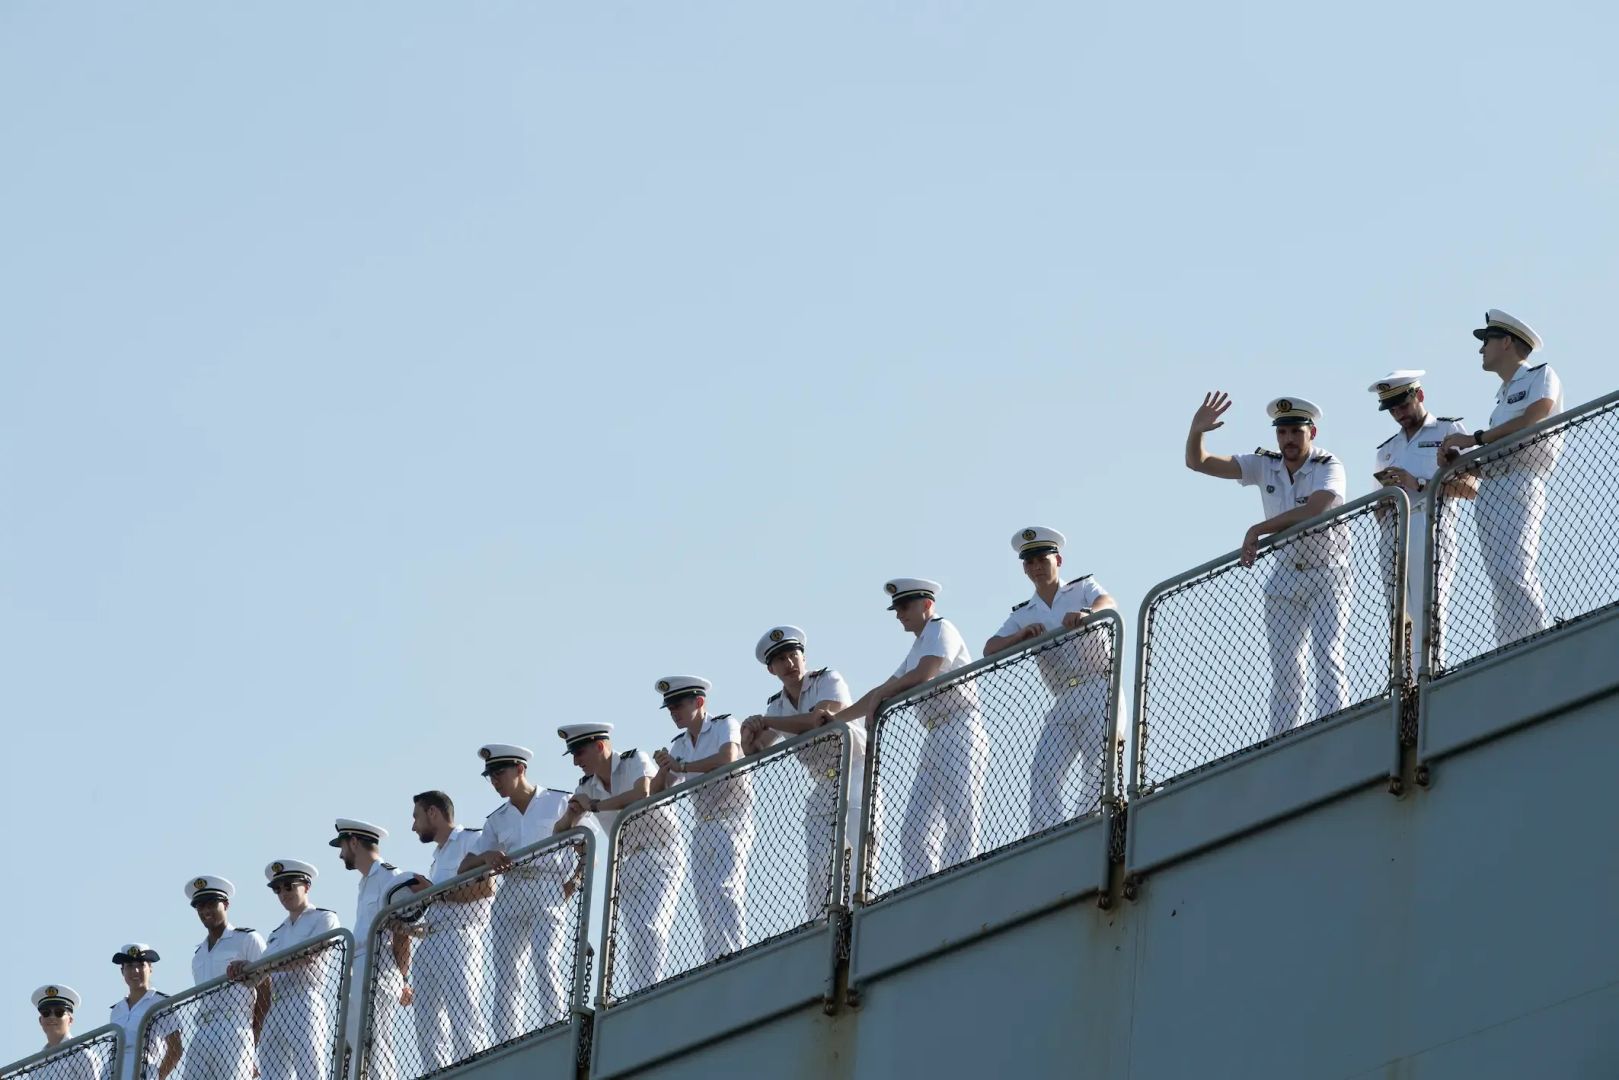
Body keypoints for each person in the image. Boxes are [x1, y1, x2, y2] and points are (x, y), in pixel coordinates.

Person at [1186, 393, 1351, 736]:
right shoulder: (1266, 464)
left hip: (1328, 572)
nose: (1289, 440)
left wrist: (1258, 530)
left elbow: (1316, 508)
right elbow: (1198, 462)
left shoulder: (1328, 465)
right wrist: (1197, 430)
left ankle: (1335, 728)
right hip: (1286, 574)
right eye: (1283, 432)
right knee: (1286, 667)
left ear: (1312, 433)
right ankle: (1282, 738)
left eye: (1296, 431)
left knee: (1327, 655)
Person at [831, 579, 987, 886]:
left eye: (905, 607)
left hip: (960, 726)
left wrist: (881, 695)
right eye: (897, 609)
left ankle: (960, 879)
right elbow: (885, 688)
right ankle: (922, 887)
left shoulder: (941, 629)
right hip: (934, 734)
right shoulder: (919, 644)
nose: (899, 614)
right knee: (916, 827)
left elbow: (924, 673)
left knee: (960, 813)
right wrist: (837, 718)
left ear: (927, 604)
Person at [1439, 309, 1566, 649]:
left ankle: (1536, 644)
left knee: (1515, 568)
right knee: (1499, 578)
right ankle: (1510, 647)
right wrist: (1461, 462)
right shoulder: (1501, 398)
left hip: (1521, 481)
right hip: (1492, 487)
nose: (1482, 350)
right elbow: (1494, 451)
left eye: (1487, 341)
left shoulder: (1540, 374)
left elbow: (1534, 417)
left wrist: (1475, 439)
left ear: (1507, 342)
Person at [983, 528, 1118, 831]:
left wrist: (1086, 614)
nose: (1035, 567)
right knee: (1044, 767)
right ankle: (1046, 832)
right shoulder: (1025, 612)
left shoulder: (1082, 588)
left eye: (1042, 560)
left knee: (1097, 761)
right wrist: (1020, 635)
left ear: (1058, 559)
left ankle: (1091, 824)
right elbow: (989, 648)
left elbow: (1108, 601)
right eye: (1028, 563)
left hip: (1098, 685)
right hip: (1064, 697)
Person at [740, 626, 861, 918]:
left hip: (855, 768)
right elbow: (755, 752)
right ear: (771, 669)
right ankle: (822, 923)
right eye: (780, 659)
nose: (789, 663)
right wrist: (748, 736)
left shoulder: (826, 680)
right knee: (820, 860)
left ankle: (862, 908)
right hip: (822, 781)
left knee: (860, 846)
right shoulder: (777, 706)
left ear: (803, 657)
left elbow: (817, 720)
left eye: (793, 655)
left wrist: (767, 722)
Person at [554, 724, 680, 998]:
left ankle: (649, 992)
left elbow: (641, 793)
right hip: (627, 862)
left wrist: (594, 806)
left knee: (651, 926)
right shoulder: (586, 787)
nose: (576, 761)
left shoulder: (633, 760)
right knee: (635, 931)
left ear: (600, 746)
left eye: (579, 752)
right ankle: (639, 993)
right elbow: (560, 833)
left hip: (660, 852)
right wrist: (570, 816)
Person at [457, 745, 575, 1038]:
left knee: (545, 958)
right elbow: (465, 866)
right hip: (511, 889)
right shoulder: (497, 819)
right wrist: (486, 858)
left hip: (548, 884)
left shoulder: (559, 802)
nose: (495, 781)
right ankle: (506, 1040)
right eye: (491, 776)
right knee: (507, 971)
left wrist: (575, 882)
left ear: (520, 769)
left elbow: (586, 845)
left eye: (499, 773)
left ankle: (556, 1028)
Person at [1366, 371, 1475, 667]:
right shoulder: (1386, 449)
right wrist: (1385, 500)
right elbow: (1376, 507)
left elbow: (1473, 487)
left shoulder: (1447, 430)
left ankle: (1430, 674)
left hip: (1429, 525)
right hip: (1392, 532)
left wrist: (1420, 483)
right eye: (1392, 409)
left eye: (1403, 405)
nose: (1398, 414)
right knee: (1399, 617)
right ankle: (1406, 687)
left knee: (1428, 607)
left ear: (1420, 396)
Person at [651, 676, 755, 964]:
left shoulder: (724, 725)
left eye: (678, 705)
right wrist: (663, 769)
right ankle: (715, 958)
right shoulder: (680, 744)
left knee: (725, 887)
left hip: (732, 818)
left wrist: (683, 766)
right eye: (670, 707)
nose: (674, 712)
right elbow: (657, 793)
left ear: (699, 702)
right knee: (705, 896)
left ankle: (733, 953)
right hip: (703, 823)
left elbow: (728, 758)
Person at [407, 791, 494, 1070]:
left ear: (433, 813)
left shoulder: (471, 839)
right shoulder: (438, 855)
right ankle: (437, 1074)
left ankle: (474, 1071)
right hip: (433, 938)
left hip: (461, 936)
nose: (413, 826)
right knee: (427, 1023)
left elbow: (484, 888)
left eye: (416, 817)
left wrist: (433, 892)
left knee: (463, 1012)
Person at [332, 819, 424, 1080]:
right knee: (358, 1041)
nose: (340, 854)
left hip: (379, 967)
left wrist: (403, 979)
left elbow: (402, 932)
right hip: (360, 968)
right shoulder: (364, 883)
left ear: (353, 842)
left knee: (377, 1040)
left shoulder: (389, 877)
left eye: (342, 846)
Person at [260, 861, 342, 1080]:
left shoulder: (324, 918)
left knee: (310, 1069)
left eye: (289, 886)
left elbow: (309, 955)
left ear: (306, 886)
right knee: (272, 1073)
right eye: (277, 889)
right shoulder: (276, 933)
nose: (283, 893)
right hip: (276, 1006)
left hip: (304, 999)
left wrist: (265, 966)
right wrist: (243, 968)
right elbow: (258, 976)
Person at [183, 876, 268, 1080]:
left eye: (212, 903)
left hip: (235, 1026)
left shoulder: (247, 938)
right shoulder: (198, 954)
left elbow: (266, 991)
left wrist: (253, 1042)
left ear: (226, 904)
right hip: (201, 1031)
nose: (205, 911)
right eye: (200, 906)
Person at [108, 945, 181, 1080]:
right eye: (129, 966)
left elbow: (175, 1049)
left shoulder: (160, 1002)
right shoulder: (117, 1010)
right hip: (115, 1072)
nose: (135, 971)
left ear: (150, 968)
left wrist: (158, 1077)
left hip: (144, 1070)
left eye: (141, 965)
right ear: (122, 971)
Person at [31, 985, 101, 1080]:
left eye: (59, 1012)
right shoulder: (37, 1062)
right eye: (46, 1013)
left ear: (70, 1020)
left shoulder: (81, 1054)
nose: (52, 1017)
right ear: (40, 1020)